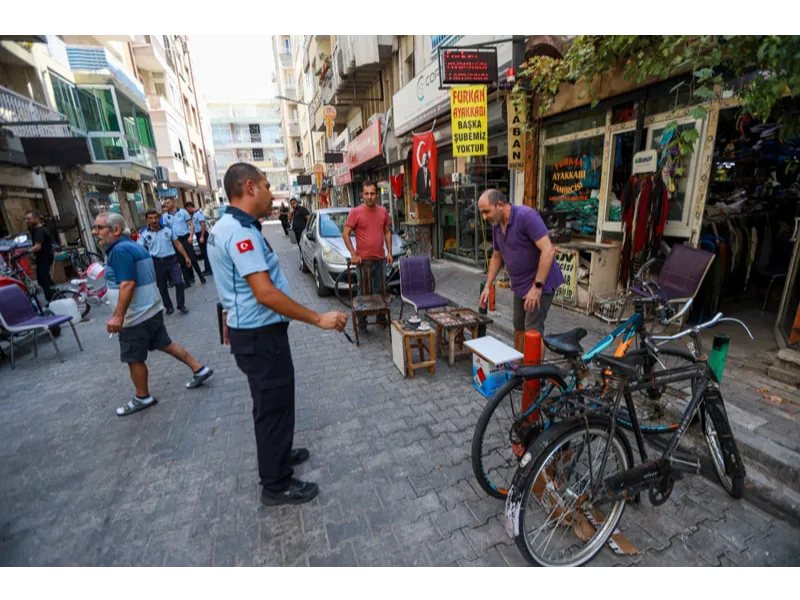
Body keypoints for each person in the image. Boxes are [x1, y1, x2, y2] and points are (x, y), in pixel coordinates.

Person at [207, 163, 347, 507]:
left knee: (276, 404)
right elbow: (266, 293)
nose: (273, 193)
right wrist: (317, 318)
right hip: (259, 336)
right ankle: (276, 484)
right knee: (272, 408)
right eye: (268, 186)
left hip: (257, 334)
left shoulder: (234, 226)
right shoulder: (238, 232)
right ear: (250, 187)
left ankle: (279, 456)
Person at [93, 211, 214, 417]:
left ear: (116, 230)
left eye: (99, 228)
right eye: (94, 228)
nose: (95, 232)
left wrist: (118, 316)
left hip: (136, 316)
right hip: (150, 309)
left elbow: (128, 284)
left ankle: (143, 396)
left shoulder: (120, 250)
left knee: (134, 358)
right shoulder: (132, 246)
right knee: (165, 343)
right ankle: (199, 368)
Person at [478, 189, 564, 354]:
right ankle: (519, 368)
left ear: (500, 205)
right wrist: (488, 286)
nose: (484, 217)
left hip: (539, 283)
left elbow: (548, 250)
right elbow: (497, 256)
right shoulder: (496, 225)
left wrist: (537, 287)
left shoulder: (525, 216)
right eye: (482, 213)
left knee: (532, 331)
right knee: (518, 326)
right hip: (519, 285)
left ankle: (534, 376)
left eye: (486, 211)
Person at [342, 180, 393, 328]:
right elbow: (345, 233)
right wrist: (353, 253)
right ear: (362, 195)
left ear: (377, 194)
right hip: (363, 261)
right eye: (367, 193)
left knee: (381, 290)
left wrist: (389, 252)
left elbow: (387, 232)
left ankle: (381, 317)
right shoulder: (355, 212)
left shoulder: (383, 211)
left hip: (380, 259)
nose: (370, 196)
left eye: (372, 193)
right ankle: (362, 321)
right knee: (364, 292)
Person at [138, 209, 192, 315]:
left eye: (155, 217)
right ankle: (168, 306)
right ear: (147, 219)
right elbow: (139, 248)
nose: (154, 220)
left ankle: (181, 305)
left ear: (159, 218)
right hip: (156, 263)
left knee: (179, 282)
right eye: (151, 218)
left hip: (171, 260)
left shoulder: (168, 229)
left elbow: (177, 244)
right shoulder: (144, 234)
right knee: (162, 287)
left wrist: (186, 257)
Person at [161, 198, 206, 287]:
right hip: (175, 240)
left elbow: (191, 225)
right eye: (165, 203)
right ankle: (187, 281)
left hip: (185, 238)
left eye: (168, 202)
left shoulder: (183, 212)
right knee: (181, 262)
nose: (167, 204)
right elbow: (166, 229)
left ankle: (201, 276)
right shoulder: (165, 216)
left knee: (192, 259)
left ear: (173, 203)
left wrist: (191, 236)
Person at [24, 211, 55, 301]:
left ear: (36, 218)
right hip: (43, 257)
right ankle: (56, 291)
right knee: (43, 278)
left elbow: (37, 247)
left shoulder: (39, 231)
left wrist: (27, 251)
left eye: (29, 219)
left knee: (43, 279)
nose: (27, 221)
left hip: (45, 257)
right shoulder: (36, 230)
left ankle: (51, 298)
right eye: (26, 219)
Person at [185, 201, 212, 276]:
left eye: (187, 209)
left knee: (206, 253)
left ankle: (209, 269)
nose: (187, 211)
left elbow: (203, 225)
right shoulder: (194, 214)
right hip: (198, 234)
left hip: (202, 234)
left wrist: (202, 236)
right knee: (204, 253)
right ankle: (207, 269)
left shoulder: (198, 214)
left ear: (190, 207)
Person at [289, 198, 309, 268]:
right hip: (296, 233)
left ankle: (304, 264)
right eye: (291, 204)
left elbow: (308, 218)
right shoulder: (293, 211)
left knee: (303, 247)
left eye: (294, 203)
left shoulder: (302, 209)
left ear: (297, 202)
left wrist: (307, 228)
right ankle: (303, 262)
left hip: (302, 232)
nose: (293, 205)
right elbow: (290, 219)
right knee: (300, 247)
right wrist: (291, 213)